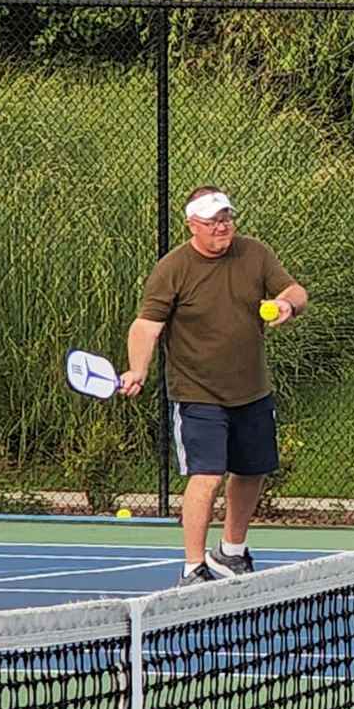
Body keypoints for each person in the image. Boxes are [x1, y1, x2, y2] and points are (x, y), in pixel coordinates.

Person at [118, 186, 307, 582]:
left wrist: (287, 304)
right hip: (197, 393)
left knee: (252, 471)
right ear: (192, 225)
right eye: (212, 222)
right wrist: (137, 370)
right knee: (207, 476)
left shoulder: (255, 253)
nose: (222, 227)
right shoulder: (173, 268)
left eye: (226, 219)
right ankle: (193, 567)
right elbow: (146, 326)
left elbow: (295, 290)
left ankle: (232, 552)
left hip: (252, 390)